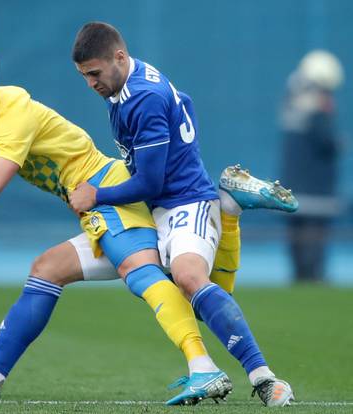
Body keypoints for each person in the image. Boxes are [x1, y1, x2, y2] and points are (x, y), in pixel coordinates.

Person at [0, 44, 233, 405]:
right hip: (91, 202)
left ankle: (203, 365)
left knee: (143, 274)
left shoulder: (12, 116)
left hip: (103, 191)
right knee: (48, 269)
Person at [69, 22, 297, 407]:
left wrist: (96, 195)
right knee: (205, 302)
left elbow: (151, 182)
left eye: (94, 73)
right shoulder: (130, 82)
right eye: (84, 76)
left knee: (191, 281)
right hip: (168, 205)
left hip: (185, 202)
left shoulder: (142, 97)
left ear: (119, 57)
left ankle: (265, 380)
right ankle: (230, 209)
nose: (91, 83)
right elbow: (184, 102)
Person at [280, 50, 344, 283]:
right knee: (313, 241)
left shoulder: (291, 102)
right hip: (315, 189)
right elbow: (327, 142)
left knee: (298, 241)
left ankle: (303, 277)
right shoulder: (317, 108)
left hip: (293, 186)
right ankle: (311, 277)